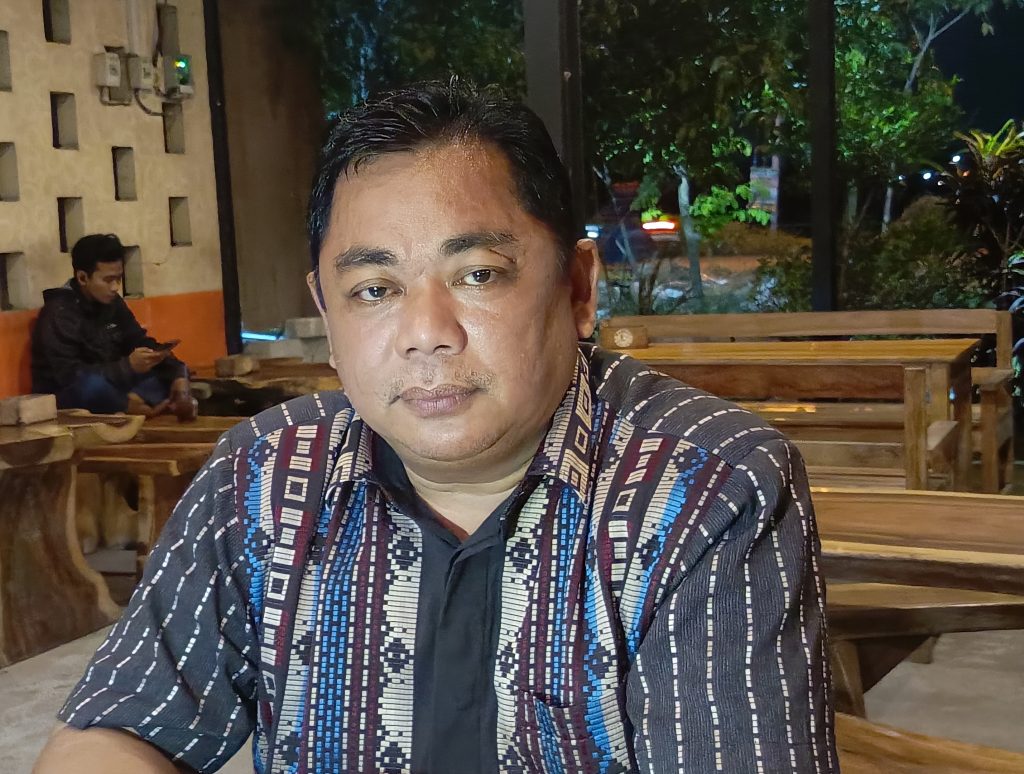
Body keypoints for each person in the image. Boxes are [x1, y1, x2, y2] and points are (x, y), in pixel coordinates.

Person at [36, 80, 836, 773]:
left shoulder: (707, 487)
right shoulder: (264, 473)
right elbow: (115, 730)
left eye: (477, 274)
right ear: (327, 313)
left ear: (578, 288)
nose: (426, 333)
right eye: (374, 289)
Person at [30, 233, 196, 419]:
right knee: (93, 387)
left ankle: (131, 403)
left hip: (115, 384)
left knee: (169, 376)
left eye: (118, 279)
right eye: (108, 280)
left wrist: (178, 374)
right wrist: (127, 367)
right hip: (72, 394)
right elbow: (68, 376)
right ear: (83, 278)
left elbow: (138, 340)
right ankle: (132, 403)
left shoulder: (113, 303)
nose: (115, 287)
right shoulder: (59, 312)